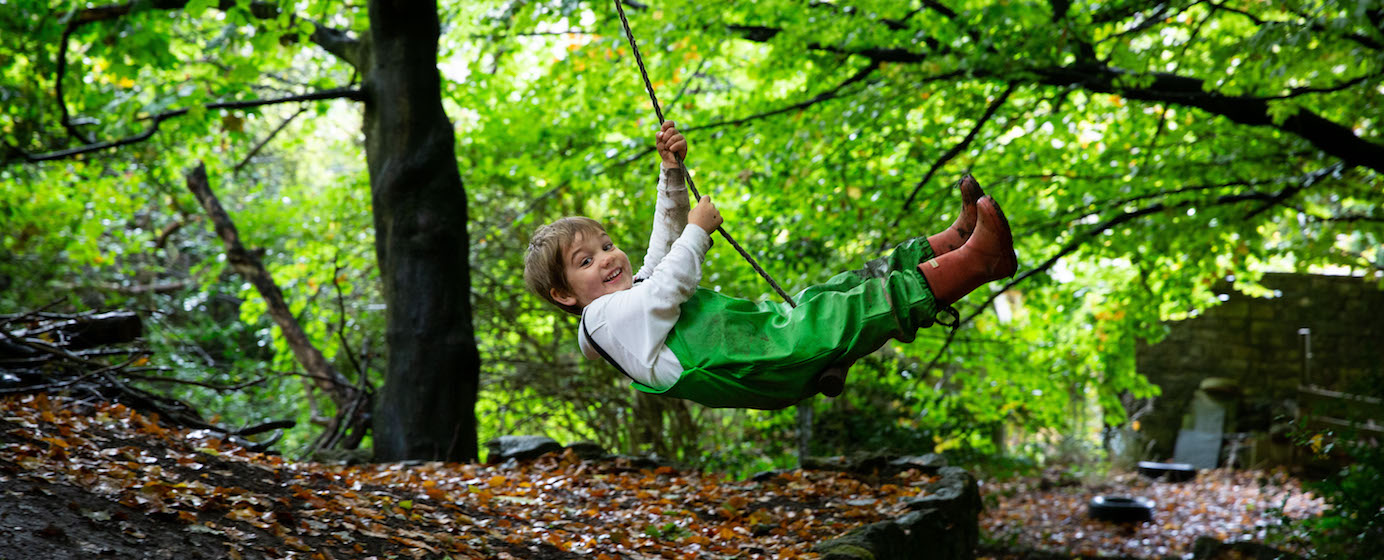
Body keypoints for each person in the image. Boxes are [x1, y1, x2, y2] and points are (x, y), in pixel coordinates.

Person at [523, 121, 1016, 410]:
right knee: (852, 310)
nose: (608, 258)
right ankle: (977, 262)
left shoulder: (625, 305)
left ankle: (951, 242)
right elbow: (666, 285)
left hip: (762, 338)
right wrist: (699, 230)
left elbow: (660, 249)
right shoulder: (603, 319)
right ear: (565, 295)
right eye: (586, 260)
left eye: (606, 245)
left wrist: (671, 174)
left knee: (836, 291)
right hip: (758, 363)